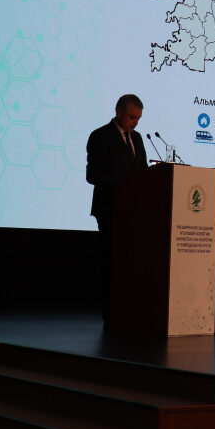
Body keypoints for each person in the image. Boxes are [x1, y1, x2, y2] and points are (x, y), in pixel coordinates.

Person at [85, 94, 150, 323]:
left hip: (134, 211)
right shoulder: (101, 136)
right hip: (110, 209)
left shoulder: (138, 138)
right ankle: (111, 310)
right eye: (132, 117)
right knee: (111, 261)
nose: (135, 123)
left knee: (131, 262)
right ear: (119, 112)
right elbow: (92, 175)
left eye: (138, 118)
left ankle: (130, 308)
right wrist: (122, 186)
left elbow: (142, 171)